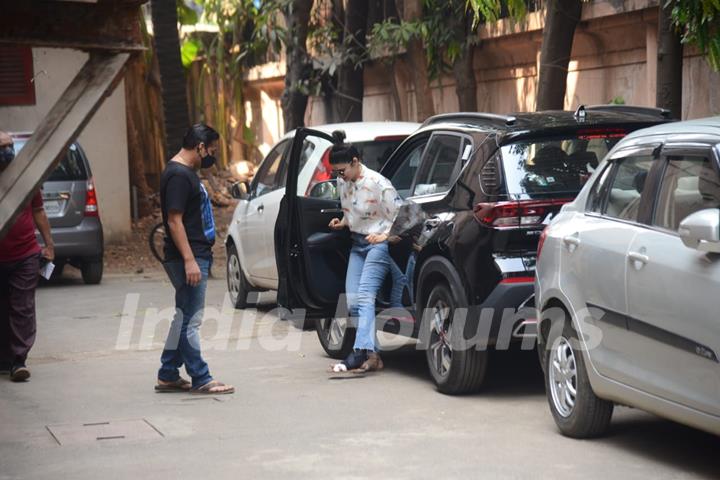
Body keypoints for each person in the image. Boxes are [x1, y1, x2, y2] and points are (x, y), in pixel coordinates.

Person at [156, 124, 234, 395]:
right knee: (192, 319)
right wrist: (189, 260)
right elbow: (174, 221)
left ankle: (168, 373)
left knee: (183, 315)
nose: (211, 156)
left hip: (193, 254)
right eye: (210, 150)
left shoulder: (184, 172)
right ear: (199, 146)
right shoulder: (179, 175)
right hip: (188, 257)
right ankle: (201, 376)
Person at [327, 131, 403, 374]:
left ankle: (359, 352)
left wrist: (384, 237)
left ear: (355, 162)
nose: (340, 177)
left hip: (378, 245)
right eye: (336, 172)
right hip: (357, 243)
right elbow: (352, 214)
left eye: (342, 171)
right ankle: (373, 355)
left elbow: (403, 219)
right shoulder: (344, 182)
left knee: (365, 296)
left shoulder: (378, 184)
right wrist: (343, 222)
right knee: (352, 301)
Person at [0, 130, 54, 382]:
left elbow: (39, 211)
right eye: (1, 147)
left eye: (9, 146)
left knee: (22, 309)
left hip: (24, 254)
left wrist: (49, 244)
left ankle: (18, 360)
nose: (7, 152)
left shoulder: (26, 178)